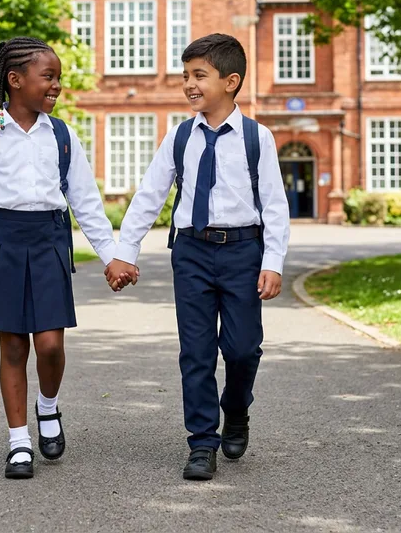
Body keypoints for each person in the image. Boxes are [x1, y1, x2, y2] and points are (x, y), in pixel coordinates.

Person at [105, 33, 290, 481]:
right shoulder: (180, 136)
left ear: (231, 82)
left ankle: (236, 409)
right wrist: (123, 252)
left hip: (244, 251)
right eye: (185, 75)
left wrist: (273, 261)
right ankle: (202, 442)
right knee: (197, 351)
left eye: (198, 76)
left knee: (243, 350)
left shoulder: (256, 137)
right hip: (190, 251)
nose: (188, 84)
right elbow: (150, 195)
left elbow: (275, 203)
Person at [0, 37, 116, 479]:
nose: (56, 85)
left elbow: (85, 200)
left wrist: (111, 256)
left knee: (50, 344)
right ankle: (18, 442)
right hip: (0, 242)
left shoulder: (61, 135)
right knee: (13, 346)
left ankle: (49, 406)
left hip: (48, 242)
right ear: (15, 80)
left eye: (58, 77)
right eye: (49, 77)